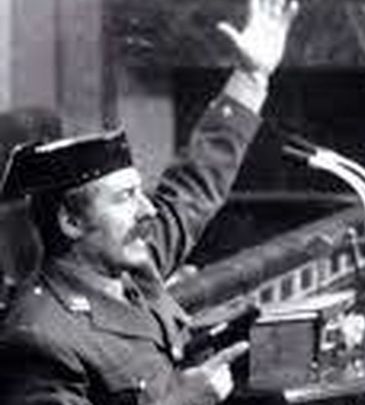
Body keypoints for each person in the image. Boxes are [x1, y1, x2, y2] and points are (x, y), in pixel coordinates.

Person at [0, 0, 298, 404]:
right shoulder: (38, 337)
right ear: (71, 221)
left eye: (140, 192)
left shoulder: (129, 267)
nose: (149, 209)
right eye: (125, 198)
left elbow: (192, 188)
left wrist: (251, 76)